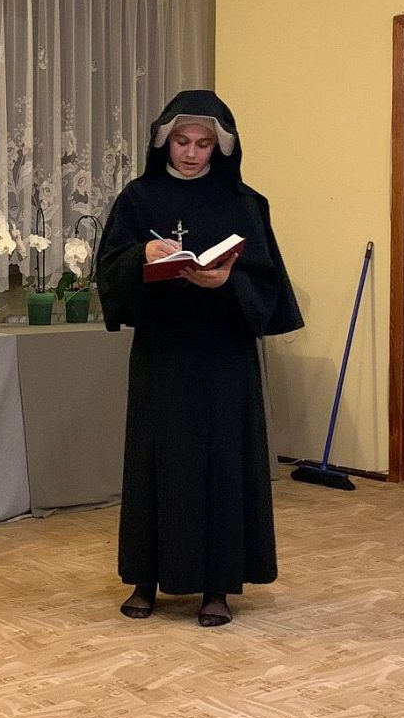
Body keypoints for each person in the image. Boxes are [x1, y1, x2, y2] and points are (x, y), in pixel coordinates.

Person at [97, 89, 303, 627]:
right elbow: (110, 270)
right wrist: (142, 254)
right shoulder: (138, 199)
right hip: (163, 351)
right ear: (165, 142)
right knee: (156, 462)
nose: (191, 153)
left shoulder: (244, 203)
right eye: (182, 141)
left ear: (220, 147)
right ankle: (146, 580)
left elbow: (267, 281)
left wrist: (226, 281)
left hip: (223, 355)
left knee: (221, 464)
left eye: (203, 143)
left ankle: (217, 587)